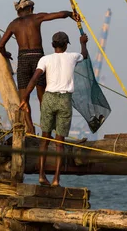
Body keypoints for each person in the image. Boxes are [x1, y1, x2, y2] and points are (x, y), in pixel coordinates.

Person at [20, 31, 88, 187]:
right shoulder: (72, 56)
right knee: (59, 143)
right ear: (66, 45)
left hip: (49, 98)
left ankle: (42, 175)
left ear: (52, 45)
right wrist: (83, 42)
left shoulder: (45, 59)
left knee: (44, 139)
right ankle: (56, 179)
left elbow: (34, 79)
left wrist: (24, 98)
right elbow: (85, 55)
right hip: (65, 100)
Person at [0, 0, 78, 133]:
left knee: (24, 98)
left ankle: (30, 130)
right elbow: (59, 14)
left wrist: (5, 54)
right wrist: (71, 14)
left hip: (23, 59)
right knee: (43, 98)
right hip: (38, 58)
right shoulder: (36, 18)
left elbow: (0, 45)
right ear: (30, 9)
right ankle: (46, 131)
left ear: (18, 12)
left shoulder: (13, 24)